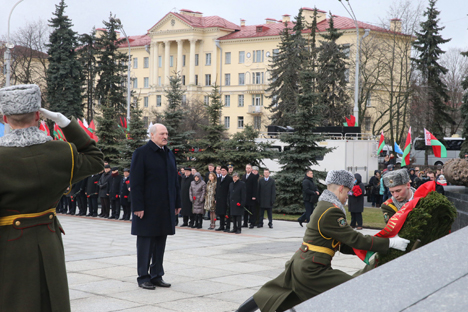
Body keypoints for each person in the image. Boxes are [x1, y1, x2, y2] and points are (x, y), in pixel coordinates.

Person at [236, 170, 409, 312]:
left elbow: (342, 244)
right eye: (348, 191)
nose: (348, 196)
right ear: (341, 188)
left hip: (302, 263)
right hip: (312, 269)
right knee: (353, 288)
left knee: (271, 295)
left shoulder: (324, 205)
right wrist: (389, 243)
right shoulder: (331, 210)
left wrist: (372, 249)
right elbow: (354, 238)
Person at [0, 84, 104, 311]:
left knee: (13, 301)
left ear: (4, 118)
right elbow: (95, 159)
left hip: (8, 244)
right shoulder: (61, 151)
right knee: (51, 300)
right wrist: (65, 123)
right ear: (39, 115)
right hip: (48, 241)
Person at [130, 123, 181, 290]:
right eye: (162, 134)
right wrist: (138, 206)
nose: (165, 136)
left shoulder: (169, 154)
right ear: (152, 135)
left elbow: (175, 182)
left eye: (166, 133)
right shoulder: (141, 153)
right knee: (145, 243)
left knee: (160, 242)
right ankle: (143, 277)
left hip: (165, 207)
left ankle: (157, 275)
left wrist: (177, 203)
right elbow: (136, 182)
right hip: (147, 207)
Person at [215, 165, 233, 231]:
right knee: (221, 213)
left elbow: (230, 189)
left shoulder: (229, 178)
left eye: (224, 170)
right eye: (221, 170)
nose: (222, 171)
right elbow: (217, 189)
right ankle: (221, 226)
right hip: (219, 199)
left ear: (226, 171)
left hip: (226, 198)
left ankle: (227, 227)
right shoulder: (219, 178)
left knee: (227, 213)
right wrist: (216, 198)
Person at [242, 164, 258, 228]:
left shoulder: (253, 177)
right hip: (244, 196)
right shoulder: (243, 176)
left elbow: (255, 187)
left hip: (251, 196)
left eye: (249, 168)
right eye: (247, 168)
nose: (248, 169)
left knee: (251, 210)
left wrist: (254, 195)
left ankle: (252, 223)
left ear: (251, 169)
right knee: (245, 210)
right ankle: (245, 223)